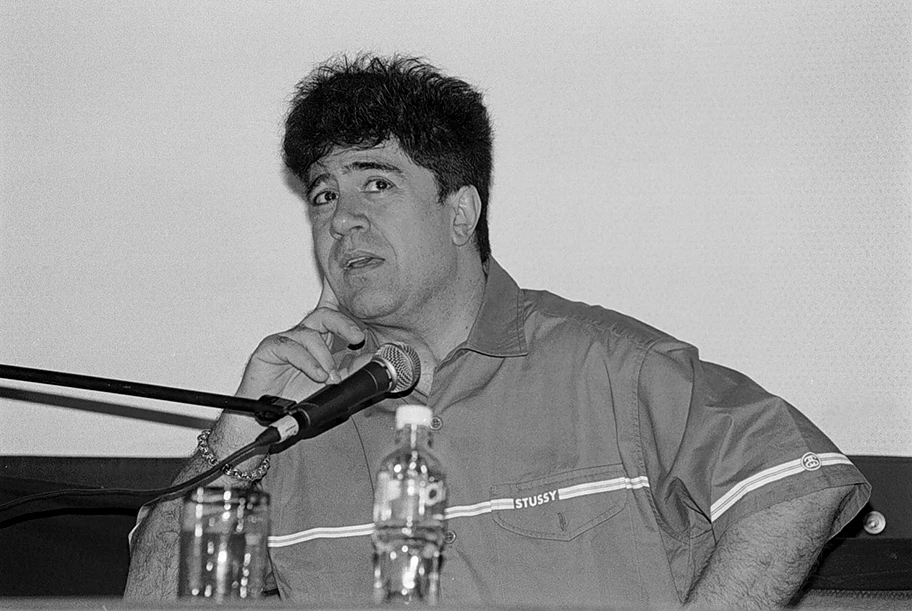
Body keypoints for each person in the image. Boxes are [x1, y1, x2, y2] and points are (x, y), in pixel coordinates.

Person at [125, 54, 870, 609]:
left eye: (376, 182)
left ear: (460, 212)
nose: (342, 216)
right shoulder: (291, 427)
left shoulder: (607, 369)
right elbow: (156, 599)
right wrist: (236, 431)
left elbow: (799, 487)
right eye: (324, 193)